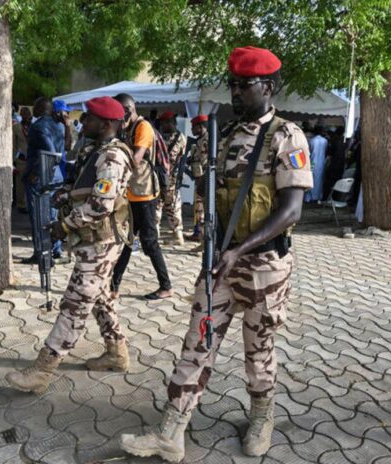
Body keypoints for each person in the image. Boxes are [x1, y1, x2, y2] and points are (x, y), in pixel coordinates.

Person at [118, 45, 313, 462]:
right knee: (197, 341)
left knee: (258, 350)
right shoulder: (224, 137)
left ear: (270, 86)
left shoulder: (286, 135)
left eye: (246, 85)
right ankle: (172, 430)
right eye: (234, 85)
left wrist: (239, 249)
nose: (237, 93)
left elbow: (291, 209)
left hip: (264, 266)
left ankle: (262, 417)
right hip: (221, 262)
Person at [6, 97, 133, 392]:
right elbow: (83, 186)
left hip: (101, 241)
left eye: (89, 118)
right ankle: (117, 353)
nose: (82, 121)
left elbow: (102, 205)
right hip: (94, 240)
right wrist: (65, 193)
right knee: (101, 298)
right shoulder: (95, 150)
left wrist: (65, 224)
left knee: (74, 305)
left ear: (107, 124)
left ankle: (43, 370)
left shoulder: (112, 157)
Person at [110, 93, 173, 300]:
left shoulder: (143, 127)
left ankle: (166, 286)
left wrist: (115, 155)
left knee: (149, 242)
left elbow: (136, 159)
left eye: (120, 112)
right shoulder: (127, 128)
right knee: (126, 242)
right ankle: (113, 286)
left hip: (145, 195)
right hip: (131, 194)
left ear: (128, 109)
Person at [22, 97, 65, 263]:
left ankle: (41, 253)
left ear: (40, 108)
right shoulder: (59, 126)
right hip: (56, 176)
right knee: (53, 214)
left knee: (39, 216)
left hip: (41, 177)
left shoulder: (38, 126)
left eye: (35, 106)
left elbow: (51, 153)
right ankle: (56, 250)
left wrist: (35, 172)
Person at [155, 111, 187, 245]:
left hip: (162, 179)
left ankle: (155, 236)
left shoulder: (160, 138)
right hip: (171, 180)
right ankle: (177, 235)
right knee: (173, 208)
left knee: (157, 207)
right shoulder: (182, 138)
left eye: (164, 123)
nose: (162, 126)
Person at [186, 114, 209, 243]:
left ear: (200, 127)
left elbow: (206, 161)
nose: (192, 130)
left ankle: (203, 239)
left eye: (193, 127)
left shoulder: (207, 140)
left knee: (202, 209)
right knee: (198, 208)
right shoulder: (201, 140)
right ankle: (199, 234)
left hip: (204, 180)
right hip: (199, 179)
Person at [12, 107, 32, 214]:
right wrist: (13, 159)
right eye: (24, 114)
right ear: (21, 115)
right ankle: (21, 204)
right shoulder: (16, 127)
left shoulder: (33, 127)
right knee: (20, 183)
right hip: (21, 158)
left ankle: (30, 202)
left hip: (32, 158)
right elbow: (13, 145)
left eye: (28, 113)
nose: (26, 115)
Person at [304, 125, 328, 203]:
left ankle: (308, 197)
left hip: (312, 162)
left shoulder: (312, 140)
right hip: (321, 163)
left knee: (310, 178)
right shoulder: (325, 141)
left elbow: (309, 152)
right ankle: (317, 196)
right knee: (319, 179)